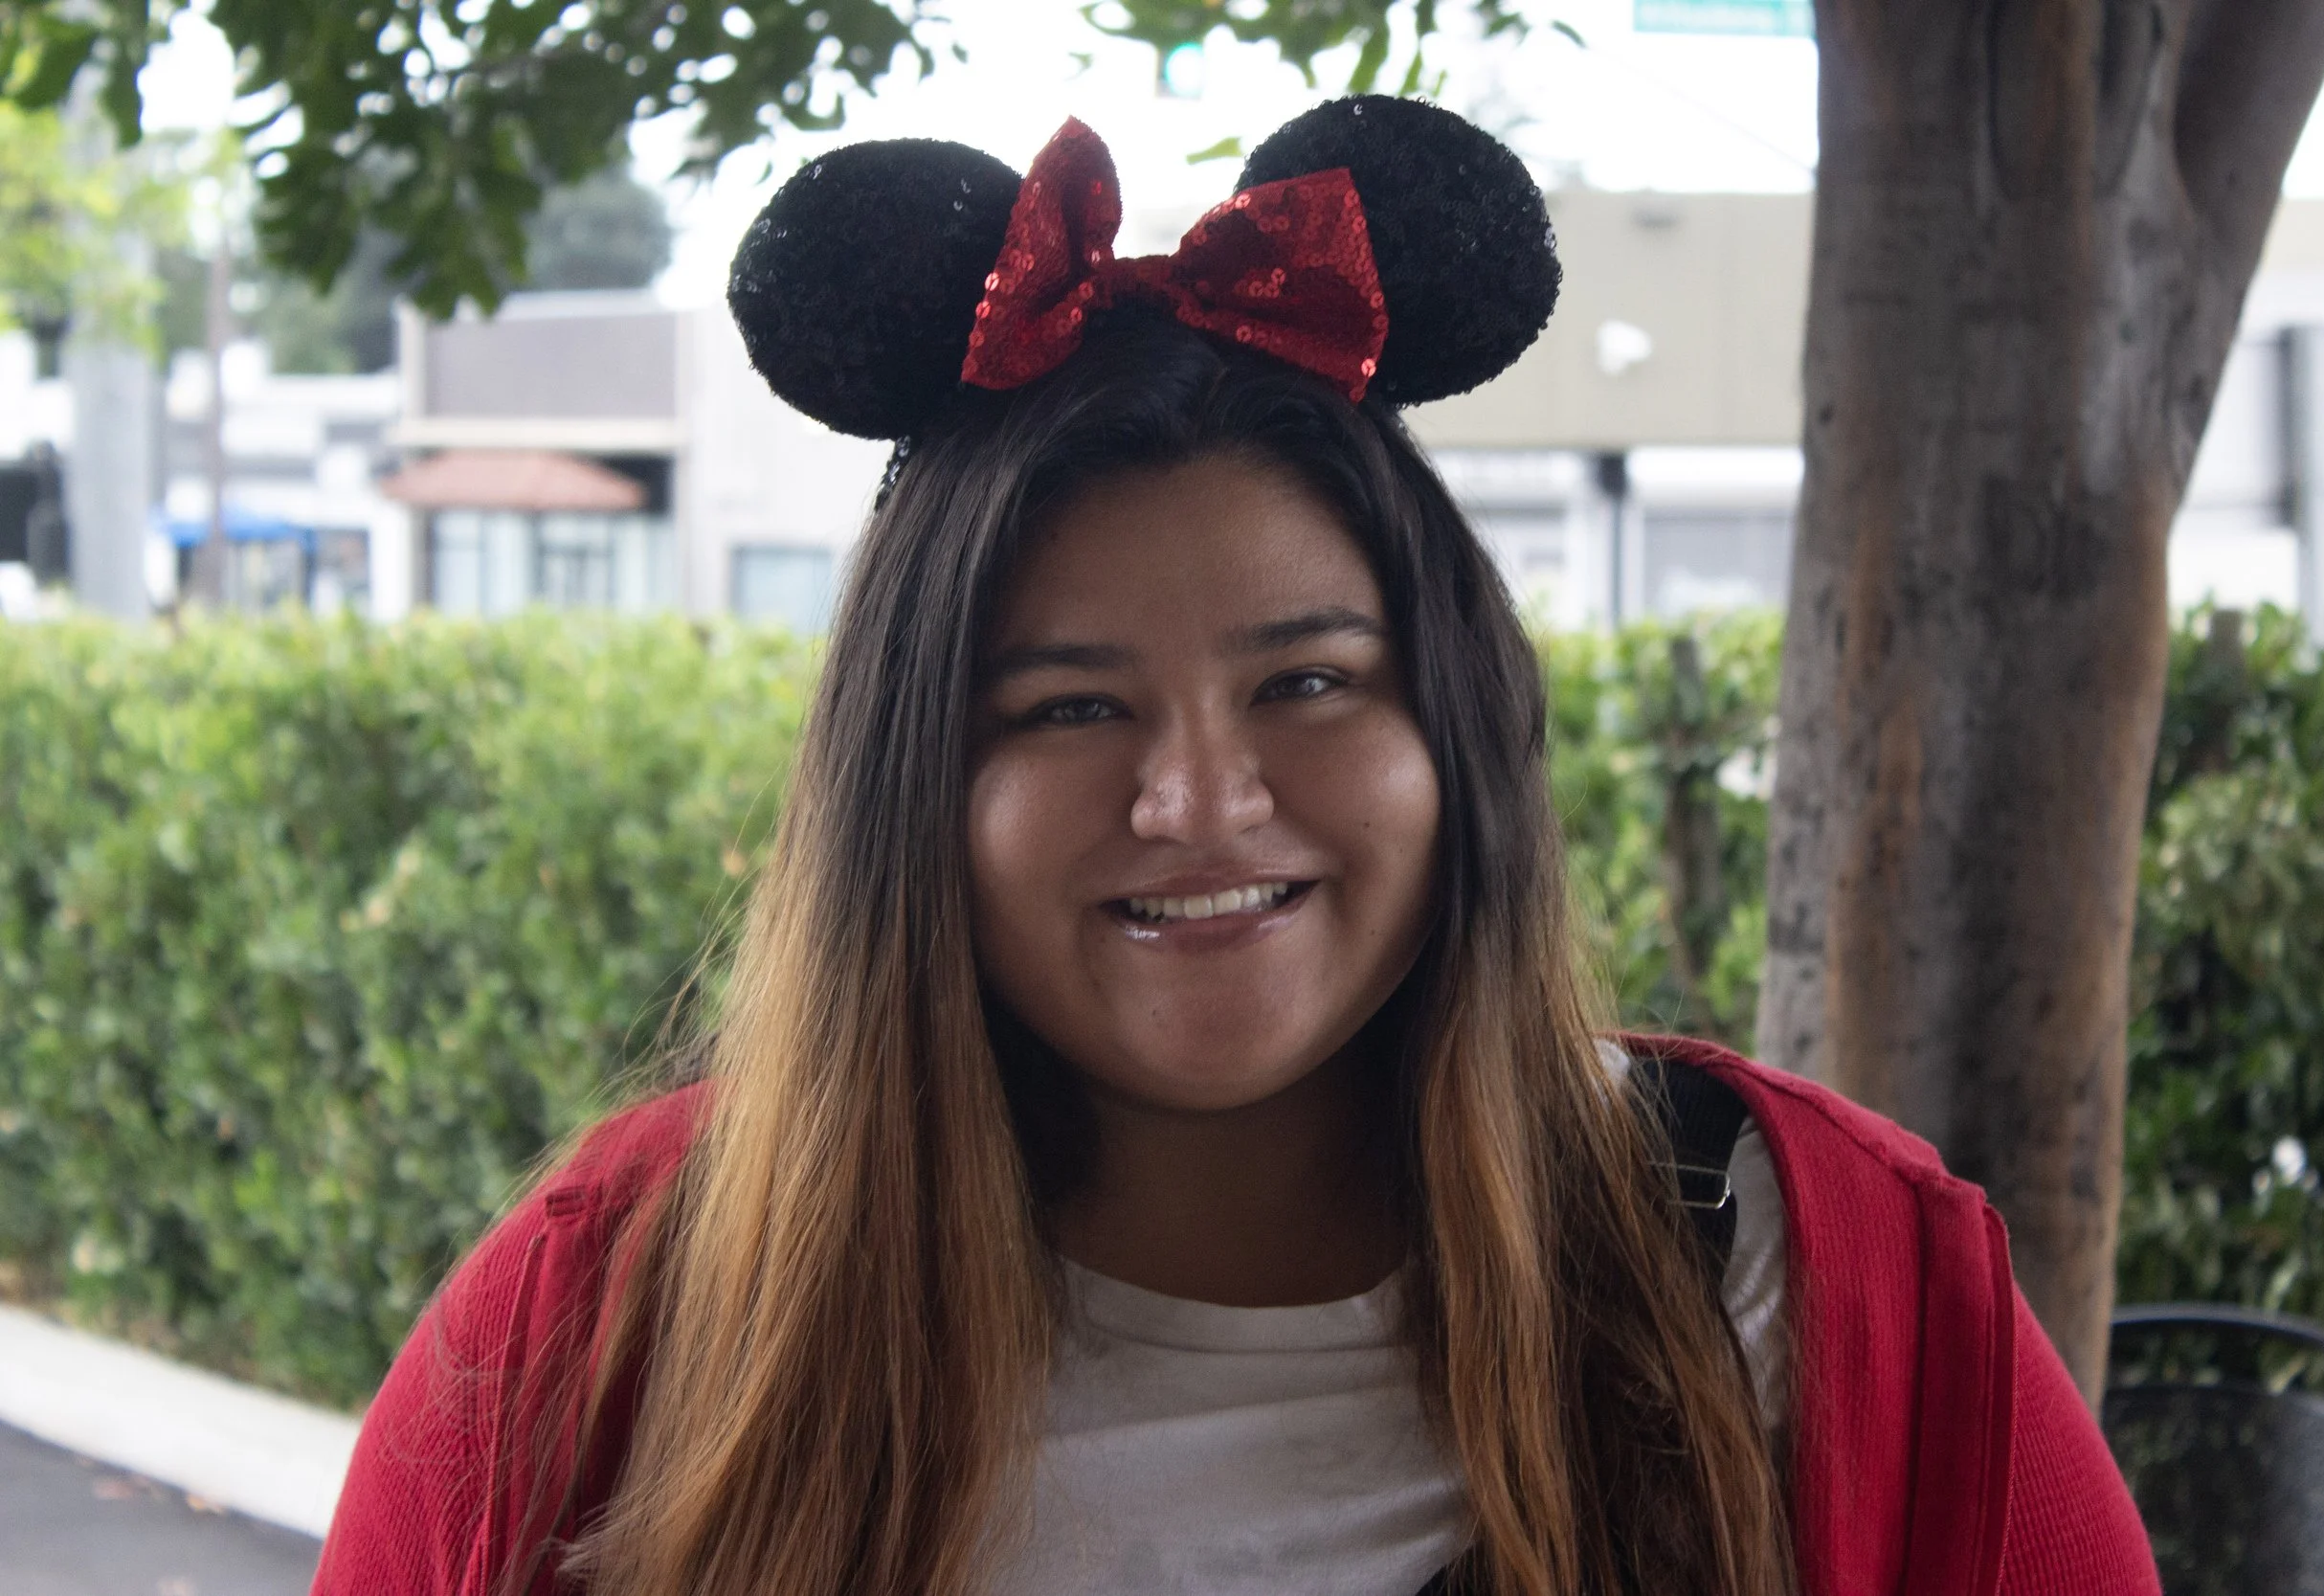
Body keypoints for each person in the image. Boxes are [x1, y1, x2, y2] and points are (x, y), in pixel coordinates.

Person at [312, 99, 2159, 1596]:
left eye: (1309, 681)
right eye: (1067, 706)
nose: (1199, 799)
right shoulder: (607, 1318)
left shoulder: (1822, 1274)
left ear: (1458, 731)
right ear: (911, 789)